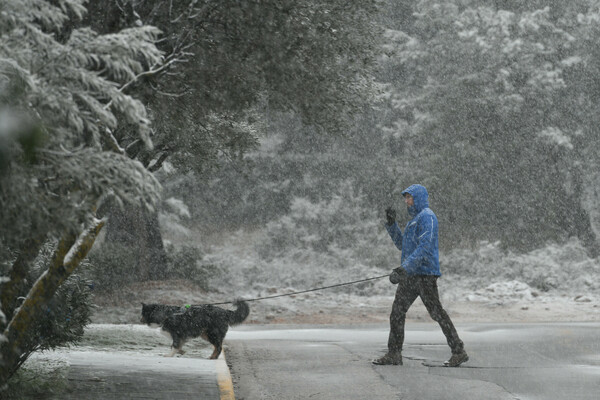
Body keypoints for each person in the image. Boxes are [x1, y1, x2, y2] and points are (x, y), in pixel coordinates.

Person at [373, 184, 468, 367]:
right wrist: (392, 226)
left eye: (410, 198)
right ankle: (394, 354)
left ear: (419, 198)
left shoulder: (428, 217)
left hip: (425, 275)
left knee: (437, 313)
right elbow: (403, 246)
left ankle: (458, 351)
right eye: (406, 199)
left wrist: (404, 269)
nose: (407, 202)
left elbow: (424, 247)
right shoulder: (414, 221)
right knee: (397, 313)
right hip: (410, 275)